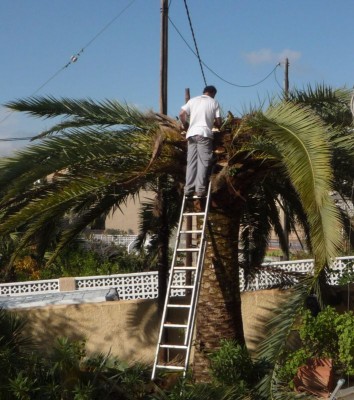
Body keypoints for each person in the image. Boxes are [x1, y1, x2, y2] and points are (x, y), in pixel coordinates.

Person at [179, 85, 222, 198]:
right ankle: (200, 190)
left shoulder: (192, 101)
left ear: (204, 92)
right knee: (203, 162)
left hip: (191, 135)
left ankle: (188, 189)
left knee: (192, 162)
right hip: (204, 134)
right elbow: (219, 122)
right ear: (213, 93)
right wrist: (216, 124)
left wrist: (184, 125)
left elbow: (181, 114)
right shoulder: (214, 102)